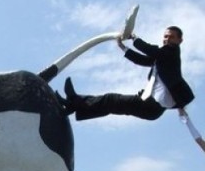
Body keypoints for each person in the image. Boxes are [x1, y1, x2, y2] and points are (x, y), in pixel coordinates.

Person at [55, 26, 194, 121]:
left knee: (111, 100)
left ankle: (74, 101)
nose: (167, 39)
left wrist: (134, 38)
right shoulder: (162, 57)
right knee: (111, 104)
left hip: (153, 105)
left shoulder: (171, 53)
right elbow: (143, 59)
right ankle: (73, 105)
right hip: (150, 105)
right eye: (165, 36)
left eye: (171, 37)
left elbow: (151, 50)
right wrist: (123, 48)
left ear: (179, 40)